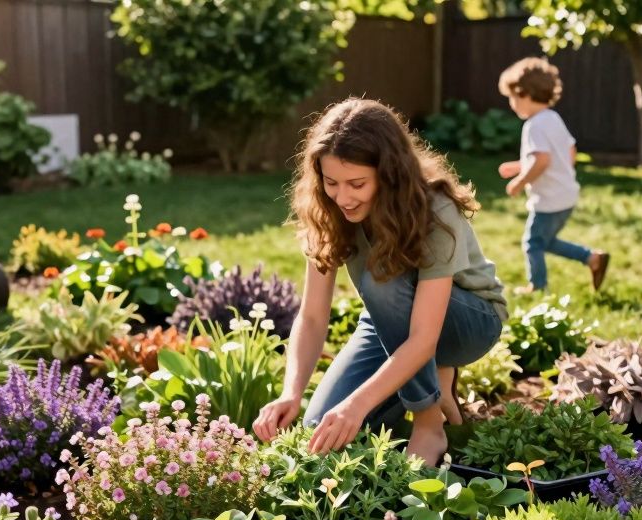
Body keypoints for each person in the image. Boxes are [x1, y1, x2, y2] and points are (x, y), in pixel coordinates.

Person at [251, 98, 507, 466]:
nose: (343, 197)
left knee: (380, 282)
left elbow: (423, 337)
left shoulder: (433, 210)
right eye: (331, 182)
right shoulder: (328, 211)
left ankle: (428, 421)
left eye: (357, 183)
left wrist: (357, 404)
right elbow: (311, 317)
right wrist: (291, 392)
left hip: (467, 320)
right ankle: (432, 383)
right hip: (388, 320)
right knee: (318, 435)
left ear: (389, 175)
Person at [498, 56, 609, 292]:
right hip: (566, 196)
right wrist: (520, 165)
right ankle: (592, 258)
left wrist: (519, 181)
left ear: (524, 93)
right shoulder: (553, 118)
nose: (511, 104)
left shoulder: (534, 125)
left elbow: (542, 160)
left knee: (533, 244)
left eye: (512, 98)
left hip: (548, 201)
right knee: (546, 241)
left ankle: (537, 287)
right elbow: (568, 151)